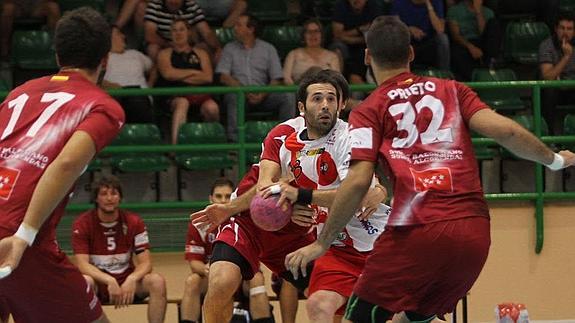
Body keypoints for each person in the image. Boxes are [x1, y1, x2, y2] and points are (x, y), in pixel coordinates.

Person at [285, 16, 575, 323]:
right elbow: (507, 132)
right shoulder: (452, 90)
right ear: (411, 54)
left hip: (417, 230)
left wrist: (322, 242)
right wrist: (554, 160)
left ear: (368, 56)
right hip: (474, 234)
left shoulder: (368, 111)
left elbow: (357, 182)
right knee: (409, 319)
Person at [192, 70, 387, 323]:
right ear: (302, 107)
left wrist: (378, 190)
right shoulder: (284, 134)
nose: (325, 105)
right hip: (251, 219)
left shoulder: (347, 138)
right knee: (222, 281)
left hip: (299, 231)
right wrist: (273, 204)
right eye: (317, 99)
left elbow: (360, 185)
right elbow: (266, 186)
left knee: (332, 300)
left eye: (331, 99)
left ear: (341, 104)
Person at [0, 7, 124, 323]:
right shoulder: (102, 105)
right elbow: (67, 162)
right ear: (106, 60)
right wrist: (24, 236)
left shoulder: (20, 92)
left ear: (57, 55)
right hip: (18, 237)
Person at [72, 176, 167, 323]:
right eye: (104, 194)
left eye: (114, 193)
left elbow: (146, 263)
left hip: (127, 283)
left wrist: (132, 278)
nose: (109, 198)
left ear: (120, 197)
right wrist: (109, 280)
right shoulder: (83, 224)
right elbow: (82, 265)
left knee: (157, 281)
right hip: (100, 282)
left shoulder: (134, 222)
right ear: (96, 198)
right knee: (84, 282)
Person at [181, 178, 273, 323]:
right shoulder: (200, 223)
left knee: (257, 279)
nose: (223, 200)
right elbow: (194, 263)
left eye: (228, 196)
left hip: (243, 276)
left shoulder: (245, 219)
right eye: (218, 196)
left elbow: (256, 260)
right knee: (192, 281)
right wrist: (211, 270)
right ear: (210, 199)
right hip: (211, 275)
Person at [216, 13, 295, 141]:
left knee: (287, 95)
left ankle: (287, 138)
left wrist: (263, 93)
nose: (234, 28)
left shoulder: (268, 49)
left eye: (239, 25)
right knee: (233, 96)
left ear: (250, 29)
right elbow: (224, 76)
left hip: (264, 95)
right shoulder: (229, 48)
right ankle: (235, 142)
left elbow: (276, 78)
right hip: (241, 94)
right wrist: (244, 91)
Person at [157, 18, 219, 144]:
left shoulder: (201, 53)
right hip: (174, 96)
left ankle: (213, 144)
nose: (178, 33)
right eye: (174, 30)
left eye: (181, 29)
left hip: (199, 95)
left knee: (212, 108)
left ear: (189, 32)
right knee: (182, 103)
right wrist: (194, 72)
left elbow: (207, 77)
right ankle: (176, 148)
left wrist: (180, 74)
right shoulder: (164, 53)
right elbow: (168, 74)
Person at [104, 25, 156, 124]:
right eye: (119, 34)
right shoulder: (103, 58)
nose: (123, 36)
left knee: (136, 96)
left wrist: (150, 83)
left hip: (139, 96)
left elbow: (153, 67)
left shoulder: (135, 54)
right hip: (115, 96)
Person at [144, 0, 221, 61]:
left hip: (188, 46)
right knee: (152, 48)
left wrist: (217, 47)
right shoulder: (154, 5)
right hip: (164, 45)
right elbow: (150, 35)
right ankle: (160, 74)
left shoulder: (192, 6)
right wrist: (170, 45)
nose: (174, 1)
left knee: (206, 48)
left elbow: (206, 32)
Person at [330, 0, 384, 86]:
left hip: (367, 45)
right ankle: (337, 85)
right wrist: (359, 30)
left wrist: (348, 35)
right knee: (338, 47)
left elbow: (377, 32)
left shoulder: (374, 6)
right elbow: (337, 35)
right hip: (347, 46)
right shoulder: (341, 6)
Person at [538, 10, 575, 135]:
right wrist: (566, 57)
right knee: (549, 90)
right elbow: (548, 77)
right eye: (562, 28)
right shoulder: (546, 46)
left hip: (572, 87)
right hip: (555, 90)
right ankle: (550, 136)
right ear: (556, 29)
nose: (565, 32)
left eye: (569, 29)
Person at [447, 0, 502, 80]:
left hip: (483, 43)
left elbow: (484, 33)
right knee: (456, 52)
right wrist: (470, 47)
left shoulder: (488, 12)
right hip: (465, 43)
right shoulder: (455, 11)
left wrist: (478, 12)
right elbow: (455, 35)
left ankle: (491, 64)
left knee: (494, 24)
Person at [391, 0, 450, 70]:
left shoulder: (436, 2)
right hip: (409, 42)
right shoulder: (399, 2)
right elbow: (395, 27)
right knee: (397, 38)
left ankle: (444, 73)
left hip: (428, 42)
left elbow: (440, 29)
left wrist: (429, 7)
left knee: (443, 38)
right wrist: (409, 29)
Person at [283, 19, 340, 85]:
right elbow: (286, 79)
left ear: (322, 35)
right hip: (300, 91)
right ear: (303, 36)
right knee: (315, 71)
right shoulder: (293, 54)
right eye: (309, 32)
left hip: (325, 91)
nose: (313, 35)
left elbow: (337, 80)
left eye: (316, 31)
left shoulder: (332, 56)